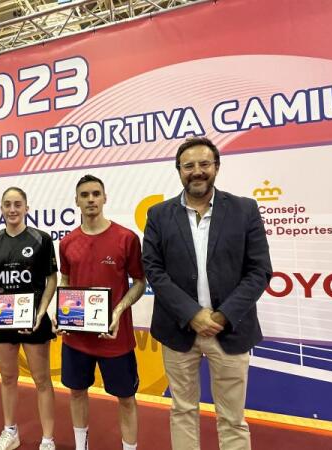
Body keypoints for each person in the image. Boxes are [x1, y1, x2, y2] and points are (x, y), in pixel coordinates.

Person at [141, 137, 272, 450]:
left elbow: (259, 270)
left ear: (216, 167)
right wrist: (192, 314)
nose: (196, 171)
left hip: (230, 330)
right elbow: (154, 270)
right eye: (189, 166)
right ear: (179, 171)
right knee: (183, 410)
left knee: (233, 417)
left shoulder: (244, 209)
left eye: (204, 164)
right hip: (178, 331)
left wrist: (222, 316)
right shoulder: (159, 215)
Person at [58, 174, 145, 450]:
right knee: (77, 393)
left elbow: (140, 283)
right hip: (76, 339)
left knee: (126, 399)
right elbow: (66, 281)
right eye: (84, 195)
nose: (91, 199)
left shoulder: (126, 238)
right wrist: (61, 312)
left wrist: (118, 311)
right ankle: (81, 446)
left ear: (105, 198)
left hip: (114, 338)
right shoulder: (68, 242)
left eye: (96, 193)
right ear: (76, 201)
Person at [0, 187, 58, 450]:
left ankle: (47, 440)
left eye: (17, 204)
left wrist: (42, 310)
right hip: (3, 320)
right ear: (1, 208)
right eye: (7, 205)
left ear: (26, 208)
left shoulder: (41, 239)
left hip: (33, 320)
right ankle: (10, 432)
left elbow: (51, 279)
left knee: (42, 380)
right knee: (7, 378)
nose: (12, 209)